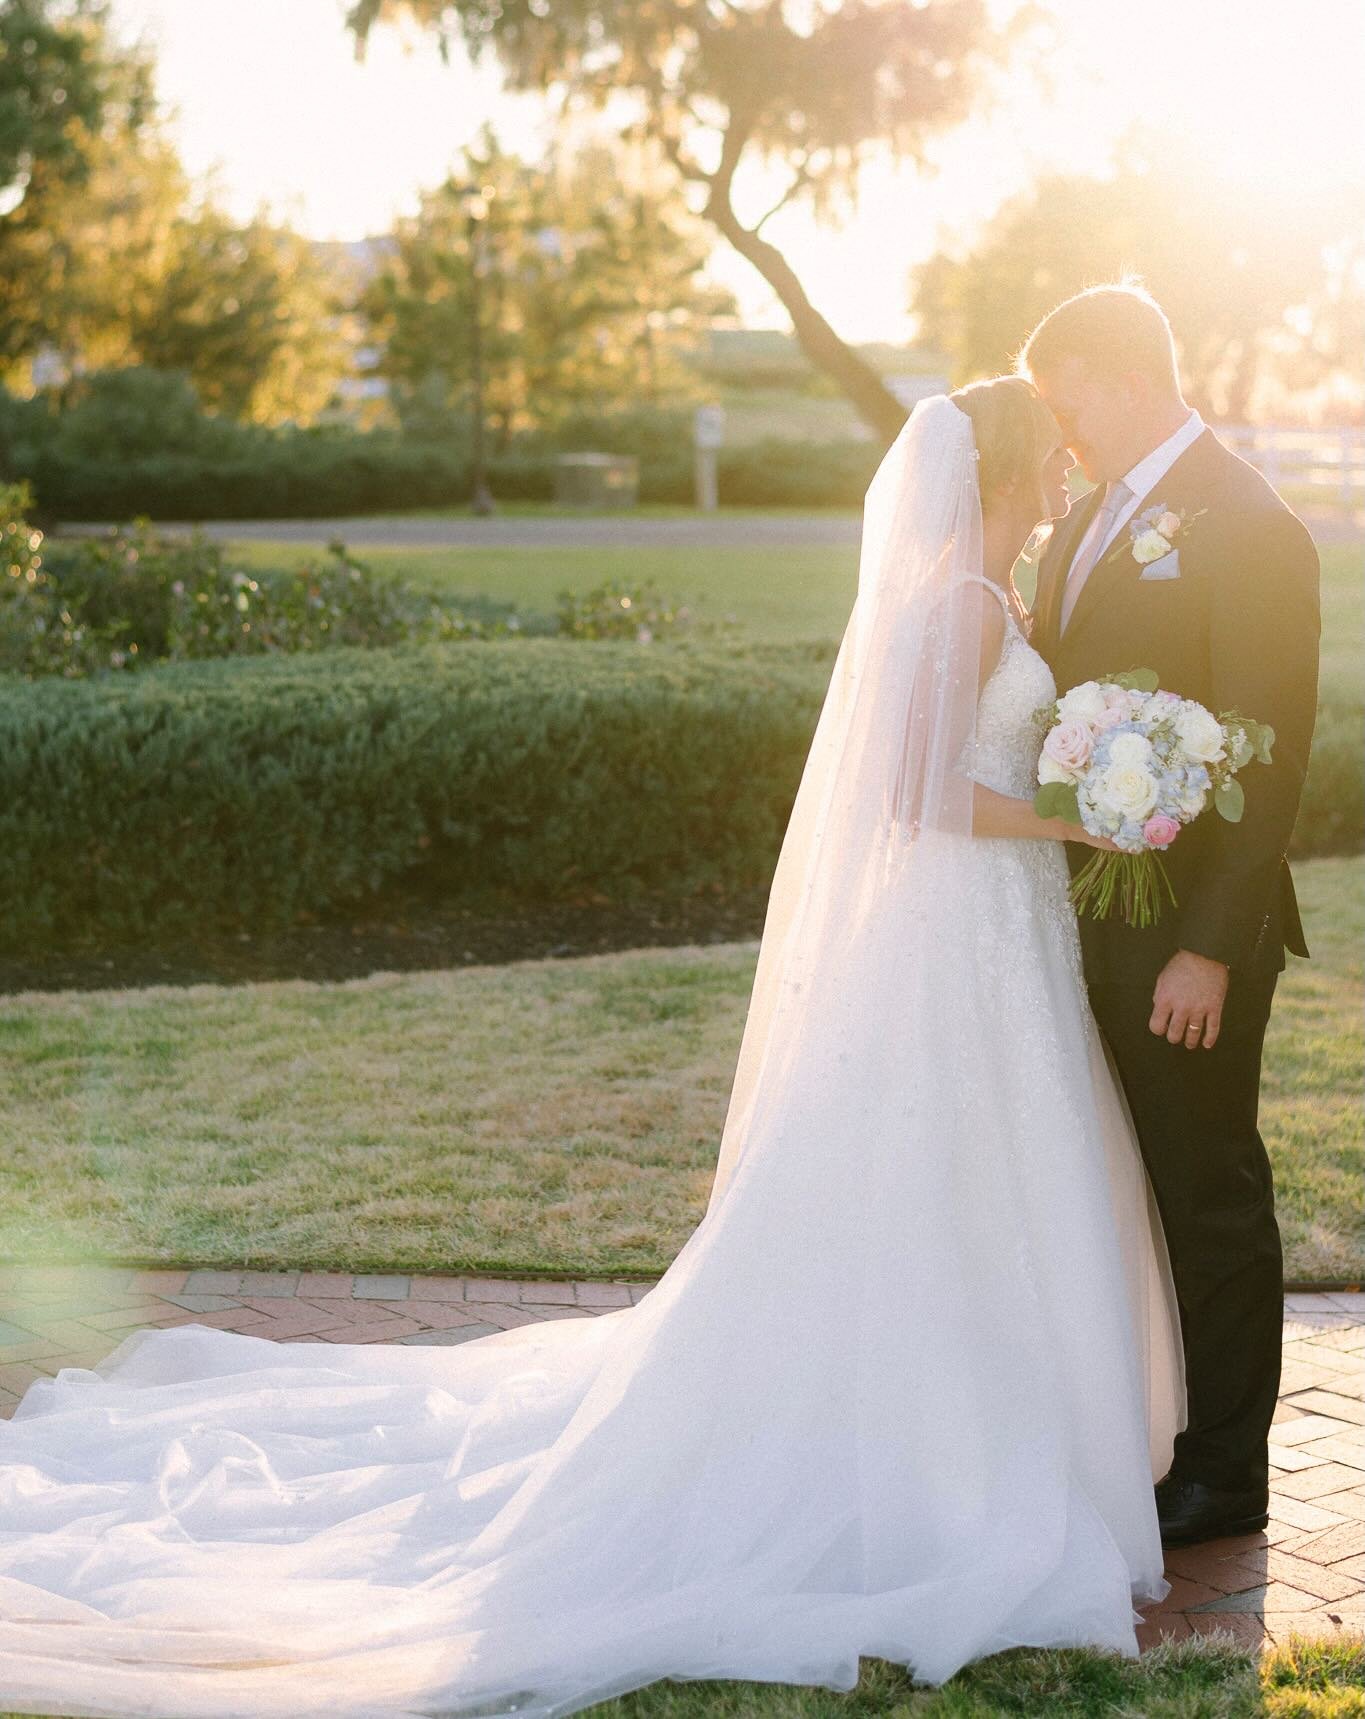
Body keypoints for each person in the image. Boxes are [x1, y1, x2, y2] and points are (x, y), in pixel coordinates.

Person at [0, 381, 1185, 1719]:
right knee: (944, 1173)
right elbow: (921, 795)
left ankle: (980, 1430)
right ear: (1012, 471)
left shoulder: (986, 595)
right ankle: (932, 1458)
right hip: (963, 927)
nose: (1069, 471)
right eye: (1053, 457)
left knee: (979, 1178)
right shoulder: (962, 605)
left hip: (998, 932)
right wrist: (1077, 820)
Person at [1020, 283, 1321, 1548]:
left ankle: (1225, 1472)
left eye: (1068, 398)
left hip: (1185, 929)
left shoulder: (1251, 524)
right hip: (1078, 911)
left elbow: (1269, 756)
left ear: (1127, 378)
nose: (1061, 426)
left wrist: (1207, 947)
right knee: (1119, 1183)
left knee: (1205, 1186)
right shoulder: (1087, 517)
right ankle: (1148, 1426)